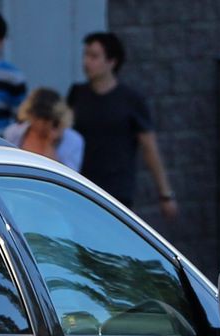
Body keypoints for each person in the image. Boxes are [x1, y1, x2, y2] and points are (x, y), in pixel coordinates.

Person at [67, 32, 176, 219]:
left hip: (117, 190)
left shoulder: (130, 99)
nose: (86, 62)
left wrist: (165, 193)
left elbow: (149, 146)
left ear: (111, 62)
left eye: (94, 56)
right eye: (85, 55)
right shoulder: (77, 94)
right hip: (82, 185)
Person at [4, 88, 84, 171]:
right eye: (37, 117)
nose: (41, 123)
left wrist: (50, 143)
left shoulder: (73, 141)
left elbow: (67, 175)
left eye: (46, 118)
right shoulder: (13, 133)